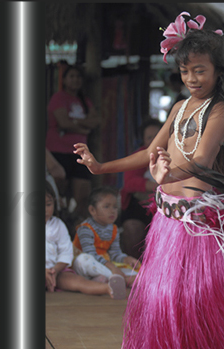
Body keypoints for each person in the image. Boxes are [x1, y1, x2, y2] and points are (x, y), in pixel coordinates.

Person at [74, 14, 224, 349]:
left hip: (198, 222)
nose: (192, 78)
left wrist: (162, 176)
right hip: (169, 219)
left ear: (219, 71)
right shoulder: (181, 107)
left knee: (192, 299)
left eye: (200, 70)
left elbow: (201, 159)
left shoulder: (219, 110)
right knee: (161, 295)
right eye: (186, 71)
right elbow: (152, 153)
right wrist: (103, 167)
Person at [45, 182, 126, 299]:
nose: (45, 210)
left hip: (56, 272)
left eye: (48, 204)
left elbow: (65, 252)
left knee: (77, 281)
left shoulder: (58, 225)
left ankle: (108, 288)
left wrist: (55, 270)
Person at [46, 64, 101, 224]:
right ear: (64, 79)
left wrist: (75, 122)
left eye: (78, 77)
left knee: (83, 194)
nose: (75, 80)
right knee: (58, 195)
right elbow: (63, 123)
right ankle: (58, 224)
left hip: (79, 152)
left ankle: (76, 227)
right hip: (58, 150)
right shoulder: (59, 98)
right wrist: (83, 127)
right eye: (72, 76)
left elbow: (96, 120)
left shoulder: (85, 100)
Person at [72, 187, 138, 291]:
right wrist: (112, 268)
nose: (112, 211)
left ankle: (105, 279)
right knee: (84, 260)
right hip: (88, 266)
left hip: (106, 265)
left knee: (137, 272)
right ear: (92, 210)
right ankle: (121, 279)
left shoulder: (114, 229)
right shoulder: (85, 228)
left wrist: (126, 259)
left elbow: (115, 254)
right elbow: (90, 254)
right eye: (106, 207)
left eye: (115, 207)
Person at [117, 119, 160, 258]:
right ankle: (135, 268)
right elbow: (129, 182)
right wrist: (156, 186)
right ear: (143, 141)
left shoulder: (175, 155)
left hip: (166, 207)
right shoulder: (140, 155)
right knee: (132, 228)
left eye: (158, 135)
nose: (155, 140)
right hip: (139, 206)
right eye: (149, 137)